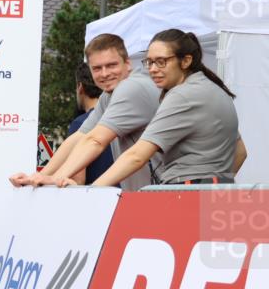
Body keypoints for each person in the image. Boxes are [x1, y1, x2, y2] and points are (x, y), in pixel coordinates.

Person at [51, 29, 247, 187]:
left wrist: (93, 191)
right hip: (214, 192)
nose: (153, 69)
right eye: (149, 62)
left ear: (186, 61)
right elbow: (240, 152)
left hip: (185, 191)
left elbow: (136, 156)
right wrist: (216, 183)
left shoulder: (181, 95)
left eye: (161, 62)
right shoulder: (212, 89)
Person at [10, 33, 160, 190]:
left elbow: (95, 141)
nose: (105, 73)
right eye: (97, 68)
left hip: (165, 193)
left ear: (127, 63)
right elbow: (80, 137)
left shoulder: (131, 87)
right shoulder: (108, 95)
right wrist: (39, 177)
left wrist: (55, 178)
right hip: (149, 194)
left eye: (111, 65)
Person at [68, 62, 113, 185]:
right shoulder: (117, 118)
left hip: (95, 198)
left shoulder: (80, 124)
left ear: (80, 87)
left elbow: (77, 179)